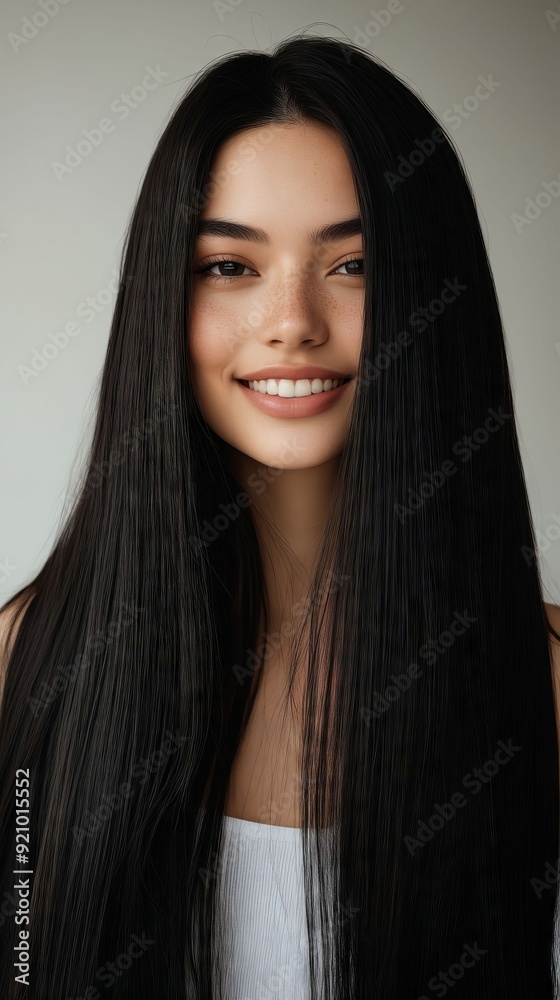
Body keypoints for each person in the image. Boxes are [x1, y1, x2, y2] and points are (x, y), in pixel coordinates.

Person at [0, 33, 559, 1000]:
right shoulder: (22, 663)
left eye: (352, 265)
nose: (292, 318)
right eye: (228, 267)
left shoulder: (544, 681)